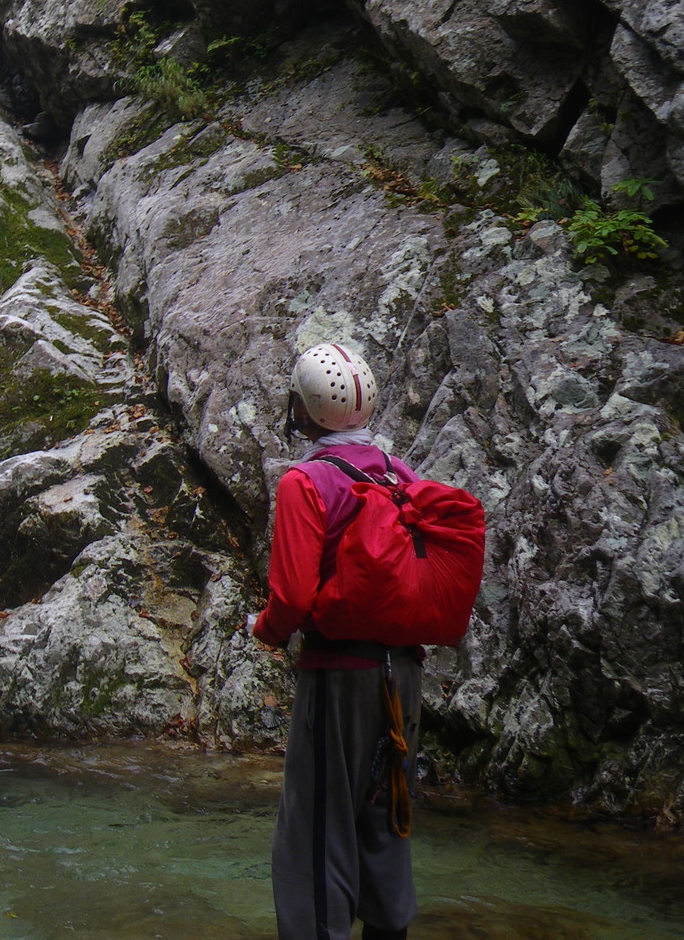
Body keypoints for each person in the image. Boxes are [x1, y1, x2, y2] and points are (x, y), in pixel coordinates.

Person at [248, 341, 421, 940]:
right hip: (405, 674)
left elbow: (292, 599)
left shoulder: (305, 481)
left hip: (338, 676)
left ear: (306, 409)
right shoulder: (401, 475)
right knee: (386, 809)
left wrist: (263, 630)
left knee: (319, 826)